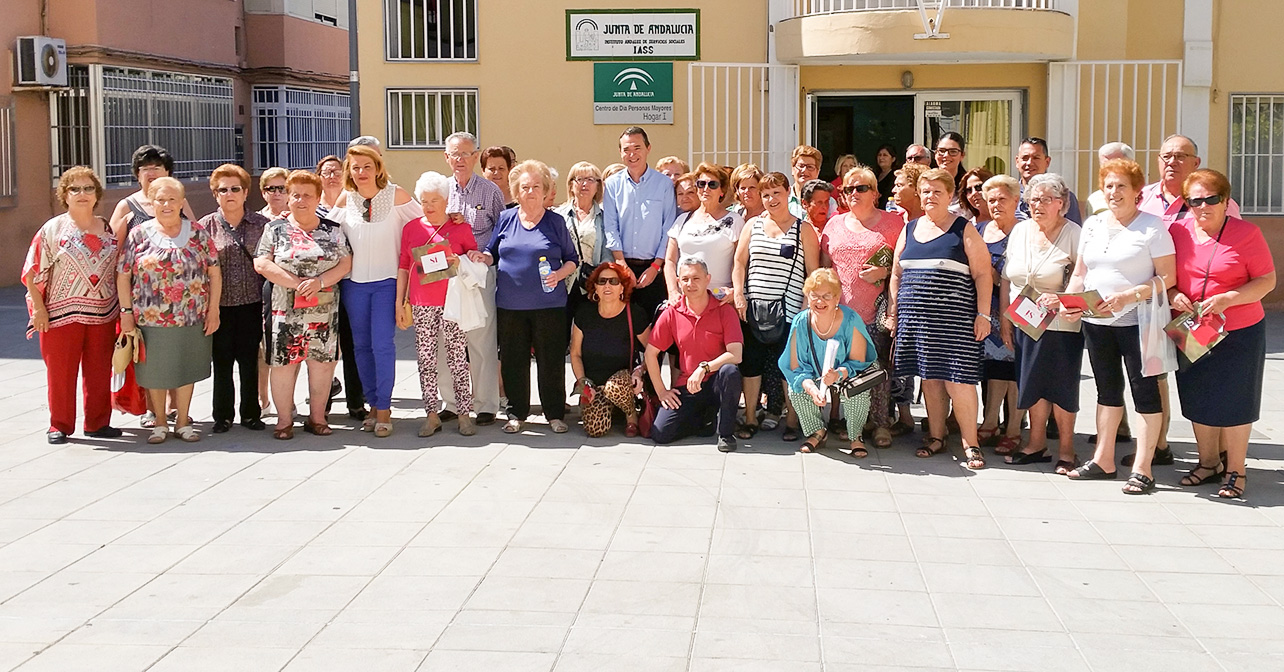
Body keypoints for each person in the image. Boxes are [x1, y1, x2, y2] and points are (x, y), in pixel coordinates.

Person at [1061, 159, 1176, 494]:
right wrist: (1072, 303)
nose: (1114, 192)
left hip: (1139, 322)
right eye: (1109, 186)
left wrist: (1131, 295)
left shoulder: (1152, 227)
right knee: (1106, 391)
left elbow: (1169, 276)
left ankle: (1143, 468)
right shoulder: (1094, 225)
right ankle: (1103, 459)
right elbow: (1081, 274)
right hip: (1098, 322)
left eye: (1121, 186)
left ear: (1137, 190)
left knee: (1145, 393)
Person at [1135, 135, 1242, 463]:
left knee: (1206, 375)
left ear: (1196, 163)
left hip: (1198, 309)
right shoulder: (1143, 199)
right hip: (1156, 301)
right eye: (1166, 156)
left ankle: (1219, 451)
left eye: (1181, 156)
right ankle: (1159, 445)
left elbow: (1230, 254)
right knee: (1156, 372)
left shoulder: (1216, 201)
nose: (1172, 162)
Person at [1169, 169, 1275, 499]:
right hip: (1191, 328)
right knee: (1197, 395)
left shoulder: (1247, 233)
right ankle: (1208, 462)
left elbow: (1266, 280)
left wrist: (1230, 298)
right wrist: (1173, 293)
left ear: (1225, 201)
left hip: (1238, 330)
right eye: (1194, 200)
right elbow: (1163, 273)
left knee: (1236, 401)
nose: (1202, 206)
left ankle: (1236, 470)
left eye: (1210, 199)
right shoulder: (1177, 231)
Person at [886, 168, 993, 469]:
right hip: (917, 322)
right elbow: (896, 273)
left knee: (959, 382)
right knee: (930, 380)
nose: (930, 196)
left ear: (949, 196)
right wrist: (894, 311)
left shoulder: (963, 228)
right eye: (926, 191)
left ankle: (970, 443)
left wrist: (983, 315)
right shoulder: (909, 228)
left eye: (937, 191)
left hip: (956, 322)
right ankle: (936, 437)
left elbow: (983, 274)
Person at [467, 160, 579, 434]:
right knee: (514, 361)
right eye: (525, 187)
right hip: (510, 305)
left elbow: (573, 260)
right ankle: (516, 413)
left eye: (536, 187)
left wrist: (559, 273)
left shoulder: (556, 222)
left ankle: (554, 413)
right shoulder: (506, 218)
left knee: (550, 360)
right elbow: (493, 252)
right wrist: (484, 257)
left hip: (549, 305)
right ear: (517, 191)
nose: (530, 192)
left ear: (545, 191)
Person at [117, 177, 221, 444]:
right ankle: (160, 423)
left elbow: (214, 271)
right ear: (151, 203)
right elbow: (123, 273)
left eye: (172, 199)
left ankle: (184, 421)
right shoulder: (138, 234)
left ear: (181, 202)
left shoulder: (197, 232)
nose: (166, 204)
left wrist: (213, 310)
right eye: (160, 200)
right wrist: (126, 311)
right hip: (150, 316)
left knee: (187, 367)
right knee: (154, 370)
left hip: (192, 315)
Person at [23, 166, 122, 444]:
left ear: (96, 194)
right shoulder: (53, 229)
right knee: (61, 374)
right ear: (64, 195)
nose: (82, 194)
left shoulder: (107, 227)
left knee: (100, 370)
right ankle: (59, 425)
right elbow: (32, 271)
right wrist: (40, 310)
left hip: (103, 313)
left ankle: (98, 423)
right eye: (74, 189)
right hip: (59, 315)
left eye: (88, 188)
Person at [330, 144, 422, 437]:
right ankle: (371, 403)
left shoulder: (398, 195)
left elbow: (424, 228)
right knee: (360, 347)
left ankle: (384, 408)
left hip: (387, 283)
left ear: (378, 167)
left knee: (383, 345)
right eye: (355, 167)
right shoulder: (346, 199)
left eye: (366, 166)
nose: (361, 173)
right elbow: (328, 234)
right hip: (353, 285)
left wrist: (453, 222)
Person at [254, 171, 353, 440]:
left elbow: (345, 263)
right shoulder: (274, 229)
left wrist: (319, 282)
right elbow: (262, 263)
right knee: (284, 365)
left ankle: (317, 418)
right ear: (287, 198)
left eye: (307, 195)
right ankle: (284, 420)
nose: (300, 200)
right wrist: (297, 282)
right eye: (295, 194)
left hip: (323, 311)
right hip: (285, 311)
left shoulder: (332, 230)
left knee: (322, 365)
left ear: (318, 198)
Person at [997, 174, 1083, 473]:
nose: (1039, 205)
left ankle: (1067, 449)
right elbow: (1008, 277)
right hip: (1024, 322)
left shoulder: (1075, 234)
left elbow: (1084, 279)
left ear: (1062, 203)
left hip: (1062, 324)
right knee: (1032, 383)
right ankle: (1035, 443)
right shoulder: (1020, 231)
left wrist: (1063, 300)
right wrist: (1005, 318)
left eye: (1047, 199)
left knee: (1061, 386)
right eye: (1034, 199)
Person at [821, 164, 906, 448]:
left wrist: (883, 274)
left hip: (876, 309)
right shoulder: (834, 223)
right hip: (841, 313)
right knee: (848, 369)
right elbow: (824, 266)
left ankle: (881, 424)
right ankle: (855, 422)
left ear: (875, 193)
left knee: (878, 369)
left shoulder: (893, 223)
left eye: (861, 188)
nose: (854, 193)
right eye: (848, 189)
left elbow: (903, 266)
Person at [732, 171, 820, 442]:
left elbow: (813, 272)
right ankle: (749, 418)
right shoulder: (752, 225)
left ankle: (792, 422)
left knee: (789, 368)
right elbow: (739, 262)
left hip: (790, 312)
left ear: (788, 194)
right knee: (751, 365)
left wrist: (807, 308)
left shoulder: (803, 229)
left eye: (776, 193)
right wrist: (739, 294)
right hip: (753, 310)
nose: (771, 199)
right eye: (766, 194)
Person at [396, 171, 478, 438]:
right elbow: (404, 267)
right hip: (421, 303)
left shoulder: (460, 227)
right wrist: (399, 302)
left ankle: (464, 413)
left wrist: (459, 260)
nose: (429, 206)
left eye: (434, 200)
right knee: (426, 359)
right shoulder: (411, 228)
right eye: (424, 201)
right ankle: (431, 414)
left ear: (446, 201)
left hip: (452, 302)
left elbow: (473, 261)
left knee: (457, 359)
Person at [439, 132, 505, 427]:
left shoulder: (490, 191)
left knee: (481, 338)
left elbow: (502, 232)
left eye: (466, 154)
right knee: (447, 338)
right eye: (455, 154)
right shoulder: (440, 191)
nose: (460, 160)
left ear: (475, 157)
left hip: (478, 272)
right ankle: (451, 402)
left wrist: (487, 254)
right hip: (446, 272)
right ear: (447, 158)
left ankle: (486, 404)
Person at [646, 256, 744, 451]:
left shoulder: (724, 310)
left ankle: (725, 434)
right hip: (688, 385)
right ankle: (704, 420)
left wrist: (704, 368)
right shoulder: (672, 312)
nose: (690, 284)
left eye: (696, 278)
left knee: (730, 372)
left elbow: (736, 354)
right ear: (678, 282)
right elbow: (650, 354)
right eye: (685, 279)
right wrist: (662, 391)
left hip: (716, 381)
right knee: (660, 433)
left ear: (708, 279)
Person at [200, 164, 269, 434]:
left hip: (252, 303)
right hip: (219, 306)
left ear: (245, 192)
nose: (229, 194)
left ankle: (251, 413)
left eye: (235, 189)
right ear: (215, 195)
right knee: (222, 361)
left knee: (250, 361)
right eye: (222, 190)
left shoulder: (262, 225)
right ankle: (222, 416)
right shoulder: (205, 227)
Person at [779, 269, 877, 455]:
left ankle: (855, 436)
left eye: (826, 296)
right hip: (813, 372)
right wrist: (810, 386)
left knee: (856, 392)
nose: (819, 301)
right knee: (796, 389)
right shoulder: (801, 321)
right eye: (814, 295)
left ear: (837, 298)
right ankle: (817, 431)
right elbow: (795, 365)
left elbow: (858, 361)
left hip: (849, 371)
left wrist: (838, 374)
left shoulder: (850, 319)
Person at [961, 167, 1021, 454]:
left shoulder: (1024, 230)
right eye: (992, 200)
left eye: (1002, 199)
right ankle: (989, 422)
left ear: (1015, 200)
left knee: (1016, 371)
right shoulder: (981, 230)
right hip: (986, 308)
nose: (996, 205)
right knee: (996, 369)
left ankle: (1013, 429)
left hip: (1018, 310)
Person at [571, 262, 651, 438]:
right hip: (594, 383)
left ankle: (631, 416)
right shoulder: (584, 312)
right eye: (602, 281)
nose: (607, 286)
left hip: (623, 380)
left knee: (613, 387)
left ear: (622, 287)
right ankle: (611, 409)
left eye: (614, 281)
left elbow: (653, 350)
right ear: (595, 288)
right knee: (595, 429)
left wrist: (640, 371)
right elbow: (575, 353)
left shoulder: (634, 313)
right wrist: (583, 382)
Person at [603, 126, 677, 317]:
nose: (632, 154)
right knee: (624, 326)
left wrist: (656, 266)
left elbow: (668, 228)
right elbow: (610, 226)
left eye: (637, 148)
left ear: (648, 148)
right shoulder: (612, 185)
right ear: (620, 153)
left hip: (654, 268)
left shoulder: (664, 184)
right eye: (626, 149)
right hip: (622, 267)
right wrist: (621, 263)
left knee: (655, 325)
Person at [664, 163, 745, 302]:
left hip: (719, 298)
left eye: (712, 184)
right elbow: (670, 261)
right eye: (701, 184)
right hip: (686, 299)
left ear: (722, 191)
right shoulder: (683, 220)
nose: (706, 189)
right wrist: (672, 292)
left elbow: (741, 262)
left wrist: (736, 291)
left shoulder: (735, 220)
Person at [555, 162, 608, 338]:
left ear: (598, 186)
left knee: (591, 337)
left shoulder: (606, 217)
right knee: (559, 336)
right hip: (564, 283)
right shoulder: (559, 215)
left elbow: (609, 251)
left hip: (592, 284)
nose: (584, 184)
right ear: (571, 184)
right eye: (579, 179)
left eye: (590, 179)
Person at [108, 144, 195, 246]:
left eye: (157, 168)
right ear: (138, 175)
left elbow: (195, 235)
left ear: (167, 172)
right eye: (145, 169)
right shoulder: (126, 206)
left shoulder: (179, 202)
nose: (151, 173)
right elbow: (113, 248)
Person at [1015, 137, 1083, 224]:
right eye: (1025, 158)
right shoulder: (1008, 195)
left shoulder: (1063, 196)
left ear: (1047, 162)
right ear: (1017, 161)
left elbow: (1074, 231)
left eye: (1036, 158)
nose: (1029, 163)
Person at [788, 145, 836, 220]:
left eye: (810, 167)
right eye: (801, 166)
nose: (804, 170)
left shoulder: (829, 202)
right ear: (793, 169)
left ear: (817, 172)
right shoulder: (783, 199)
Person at [1086, 143, 1134, 217]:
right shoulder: (1094, 199)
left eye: (1114, 166)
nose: (1108, 171)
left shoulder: (1146, 197)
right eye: (1104, 166)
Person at [933, 133, 968, 216]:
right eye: (941, 151)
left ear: (962, 155)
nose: (946, 155)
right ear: (935, 154)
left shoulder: (968, 185)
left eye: (953, 152)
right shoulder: (926, 182)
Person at [874, 144, 898, 209]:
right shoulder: (874, 176)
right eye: (879, 155)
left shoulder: (896, 176)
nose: (881, 158)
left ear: (893, 159)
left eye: (885, 155)